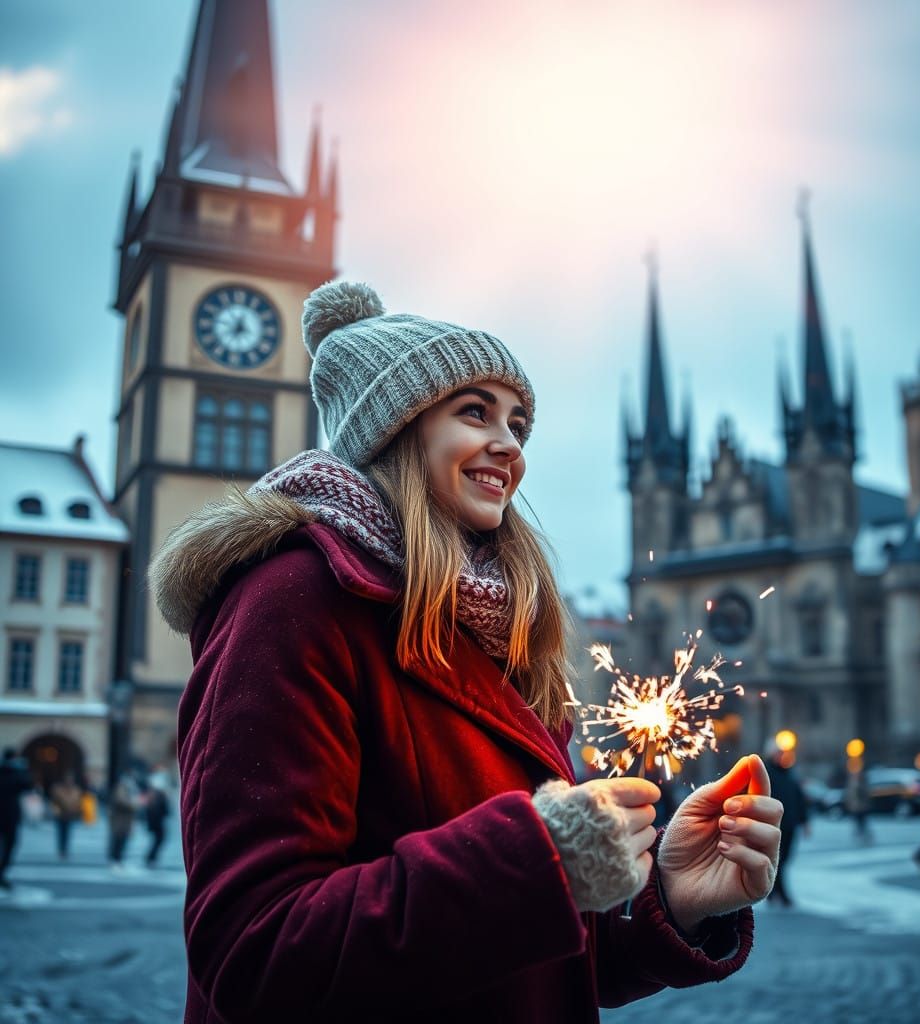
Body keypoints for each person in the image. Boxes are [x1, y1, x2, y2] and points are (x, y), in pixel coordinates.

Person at [150, 281, 783, 1024]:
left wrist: (671, 901)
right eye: (475, 412)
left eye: (518, 423)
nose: (510, 445)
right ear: (396, 427)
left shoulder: (495, 630)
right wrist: (537, 860)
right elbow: (256, 952)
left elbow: (527, 970)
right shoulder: (291, 599)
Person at [764, 740, 809, 906]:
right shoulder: (766, 773)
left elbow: (799, 798)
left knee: (785, 859)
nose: (782, 756)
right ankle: (781, 894)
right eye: (778, 753)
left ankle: (774, 891)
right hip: (774, 825)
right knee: (778, 860)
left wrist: (804, 822)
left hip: (790, 824)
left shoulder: (790, 773)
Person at [0, 747, 33, 890]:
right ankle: (1, 873)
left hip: (8, 815)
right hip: (10, 816)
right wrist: (22, 770)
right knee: (10, 845)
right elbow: (27, 785)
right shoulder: (16, 773)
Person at [108, 773, 138, 871]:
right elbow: (122, 801)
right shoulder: (121, 788)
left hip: (124, 820)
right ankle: (115, 860)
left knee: (122, 840)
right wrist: (134, 804)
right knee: (118, 840)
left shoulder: (128, 789)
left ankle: (118, 860)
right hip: (120, 820)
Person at [50, 774, 82, 861]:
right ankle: (61, 850)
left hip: (69, 815)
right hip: (60, 815)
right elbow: (56, 801)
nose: (69, 782)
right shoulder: (58, 789)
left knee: (67, 834)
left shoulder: (76, 790)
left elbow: (77, 802)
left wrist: (77, 811)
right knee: (61, 833)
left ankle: (65, 850)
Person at [143, 779, 170, 867]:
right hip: (157, 822)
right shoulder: (158, 795)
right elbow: (165, 810)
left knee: (158, 840)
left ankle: (151, 858)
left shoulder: (153, 795)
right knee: (159, 839)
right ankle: (150, 858)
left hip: (155, 822)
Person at [844, 765, 872, 844]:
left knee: (863, 822)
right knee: (857, 822)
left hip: (862, 806)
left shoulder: (863, 782)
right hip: (854, 807)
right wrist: (848, 803)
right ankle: (860, 834)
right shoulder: (850, 782)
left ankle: (865, 835)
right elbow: (849, 795)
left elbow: (865, 794)